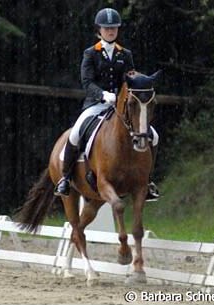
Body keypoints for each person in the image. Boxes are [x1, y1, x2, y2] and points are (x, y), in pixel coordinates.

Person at [54, 8, 159, 200]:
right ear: (99, 30)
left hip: (121, 107)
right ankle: (65, 178)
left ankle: (149, 181)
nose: (111, 31)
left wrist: (137, 86)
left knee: (154, 136)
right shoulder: (90, 54)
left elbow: (130, 77)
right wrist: (103, 95)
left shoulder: (125, 54)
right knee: (76, 132)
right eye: (107, 28)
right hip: (96, 104)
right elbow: (86, 82)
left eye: (114, 28)